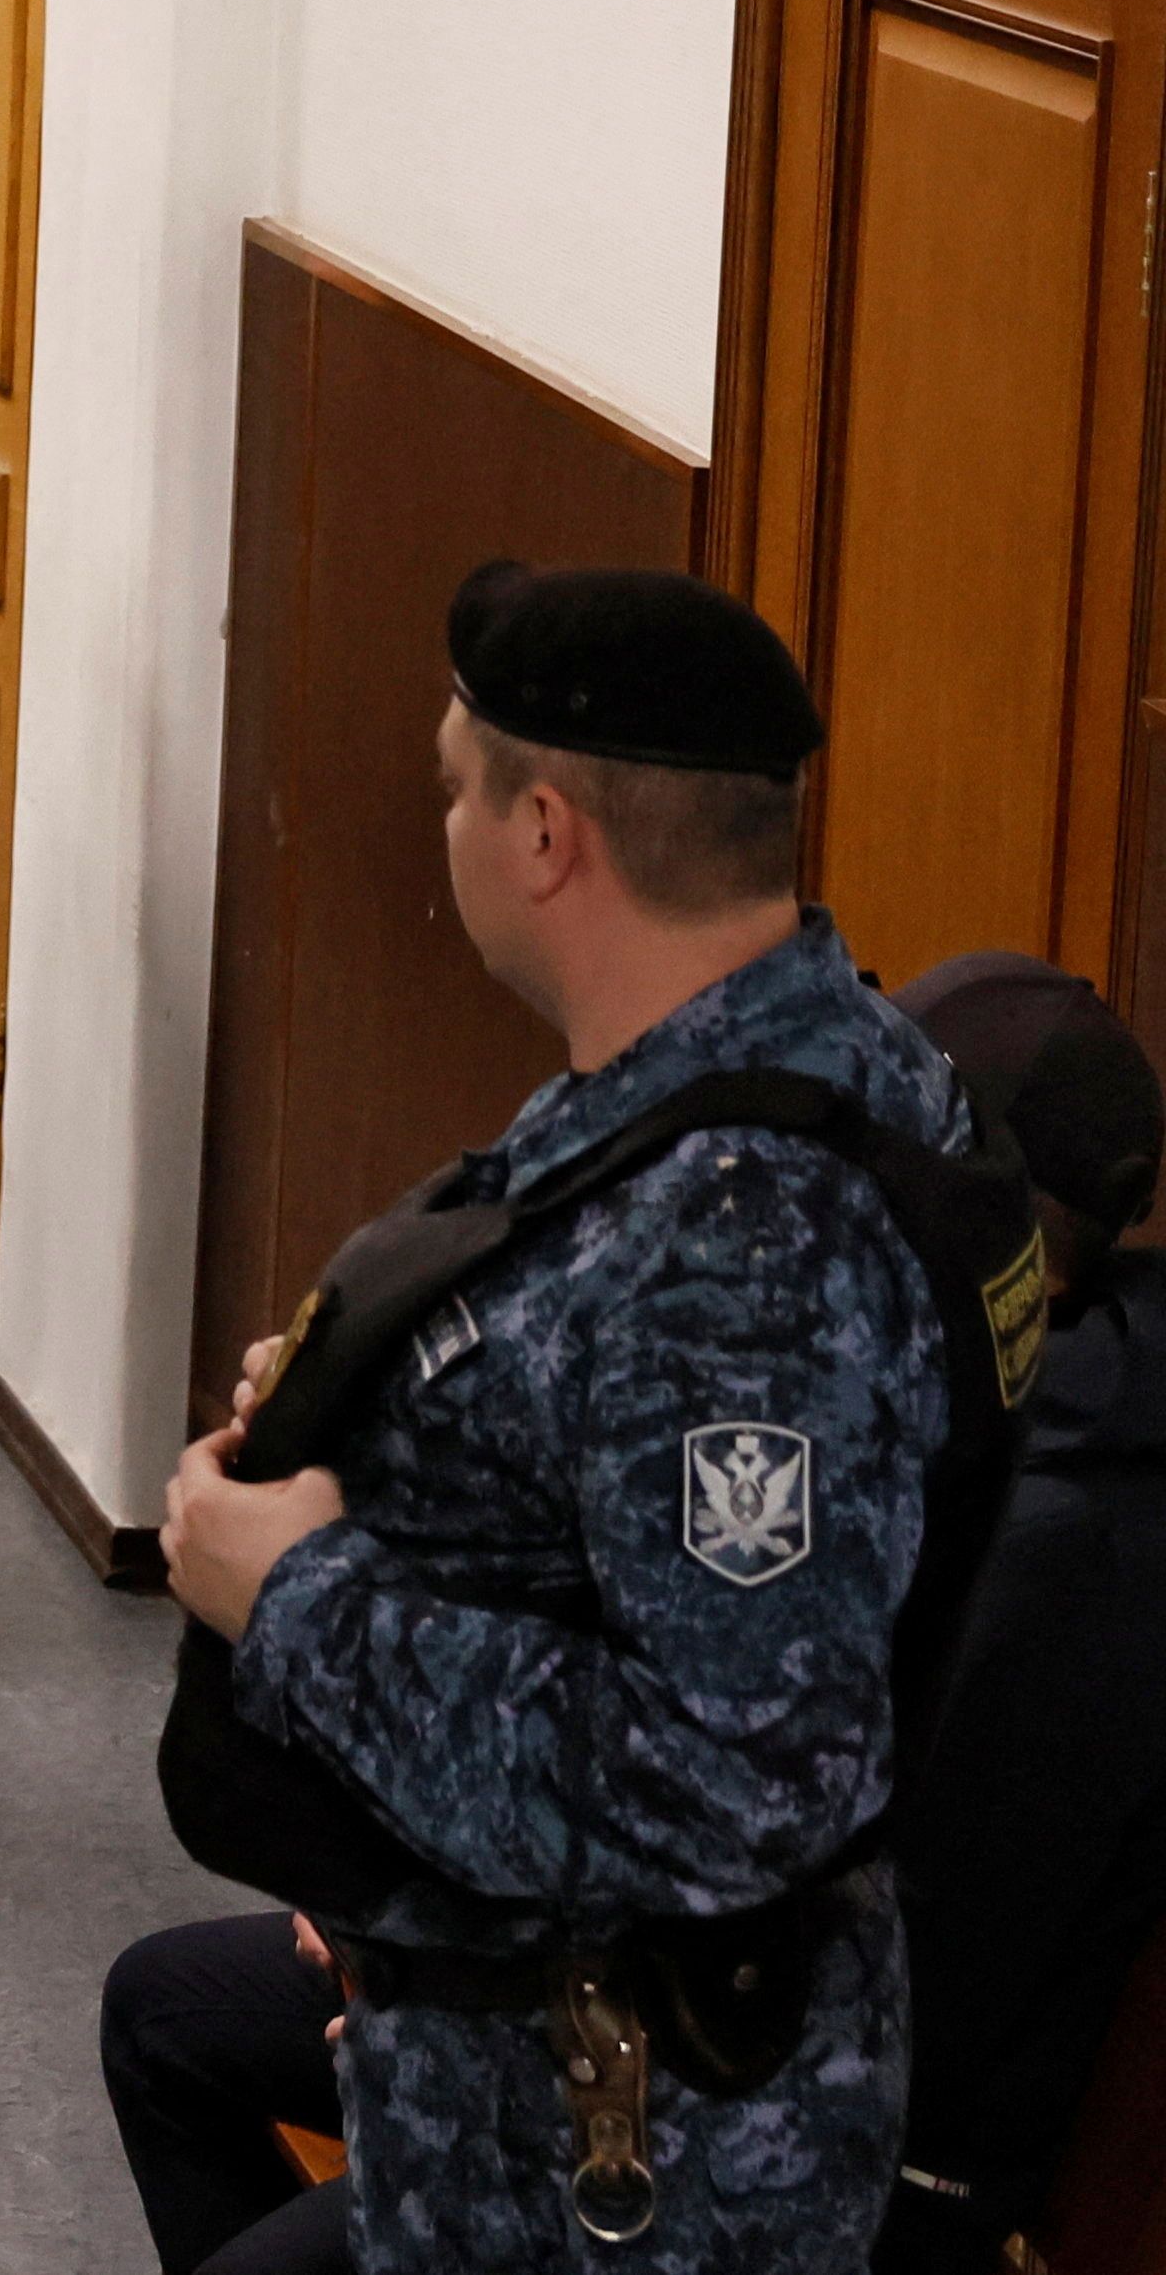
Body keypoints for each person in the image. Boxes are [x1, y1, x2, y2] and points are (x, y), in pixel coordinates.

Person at [139, 564, 1043, 2273]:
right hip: (522, 2027)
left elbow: (726, 1776)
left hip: (621, 2139)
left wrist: (302, 1591)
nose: (447, 828)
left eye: (450, 786)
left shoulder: (746, 1248)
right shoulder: (772, 1061)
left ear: (544, 831)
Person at [103, 943, 1161, 2275]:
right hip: (596, 1956)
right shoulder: (919, 1400)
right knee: (162, 2010)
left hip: (755, 2104)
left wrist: (442, 1969)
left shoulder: (1039, 1555)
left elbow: (767, 1859)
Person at [877, 949, 1166, 2271]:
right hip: (796, 2052)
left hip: (871, 2166)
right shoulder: (1051, 1401)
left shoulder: (1046, 1539)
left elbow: (913, 1961)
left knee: (177, 2014)